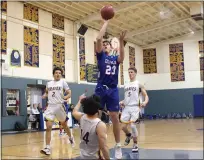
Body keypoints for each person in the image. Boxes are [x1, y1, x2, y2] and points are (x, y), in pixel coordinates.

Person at [95, 20, 126, 159]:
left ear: (111, 47)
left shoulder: (115, 59)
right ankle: (98, 148)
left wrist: (120, 41)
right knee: (96, 117)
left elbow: (122, 57)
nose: (105, 45)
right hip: (101, 88)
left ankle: (118, 145)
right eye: (104, 44)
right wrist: (106, 22)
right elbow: (98, 38)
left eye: (108, 44)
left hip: (113, 89)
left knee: (114, 117)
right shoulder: (101, 56)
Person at [40, 67, 75, 155]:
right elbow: (47, 92)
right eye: (56, 72)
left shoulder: (63, 82)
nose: (58, 74)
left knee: (65, 125)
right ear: (53, 74)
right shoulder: (49, 83)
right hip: (50, 107)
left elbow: (69, 93)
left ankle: (71, 137)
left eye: (59, 73)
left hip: (60, 106)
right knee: (48, 127)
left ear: (61, 74)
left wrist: (65, 97)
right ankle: (47, 148)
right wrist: (44, 95)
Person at [119, 67, 149, 152]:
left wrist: (145, 102)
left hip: (135, 107)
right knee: (123, 127)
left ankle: (135, 144)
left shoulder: (139, 84)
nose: (130, 74)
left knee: (132, 125)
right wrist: (122, 102)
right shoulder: (126, 85)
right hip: (127, 107)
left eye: (131, 72)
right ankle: (128, 135)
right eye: (129, 72)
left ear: (135, 73)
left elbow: (146, 95)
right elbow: (127, 98)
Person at [72, 94, 110, 159]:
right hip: (94, 157)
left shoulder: (82, 117)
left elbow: (74, 111)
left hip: (82, 155)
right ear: (98, 108)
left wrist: (80, 101)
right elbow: (103, 147)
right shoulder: (100, 125)